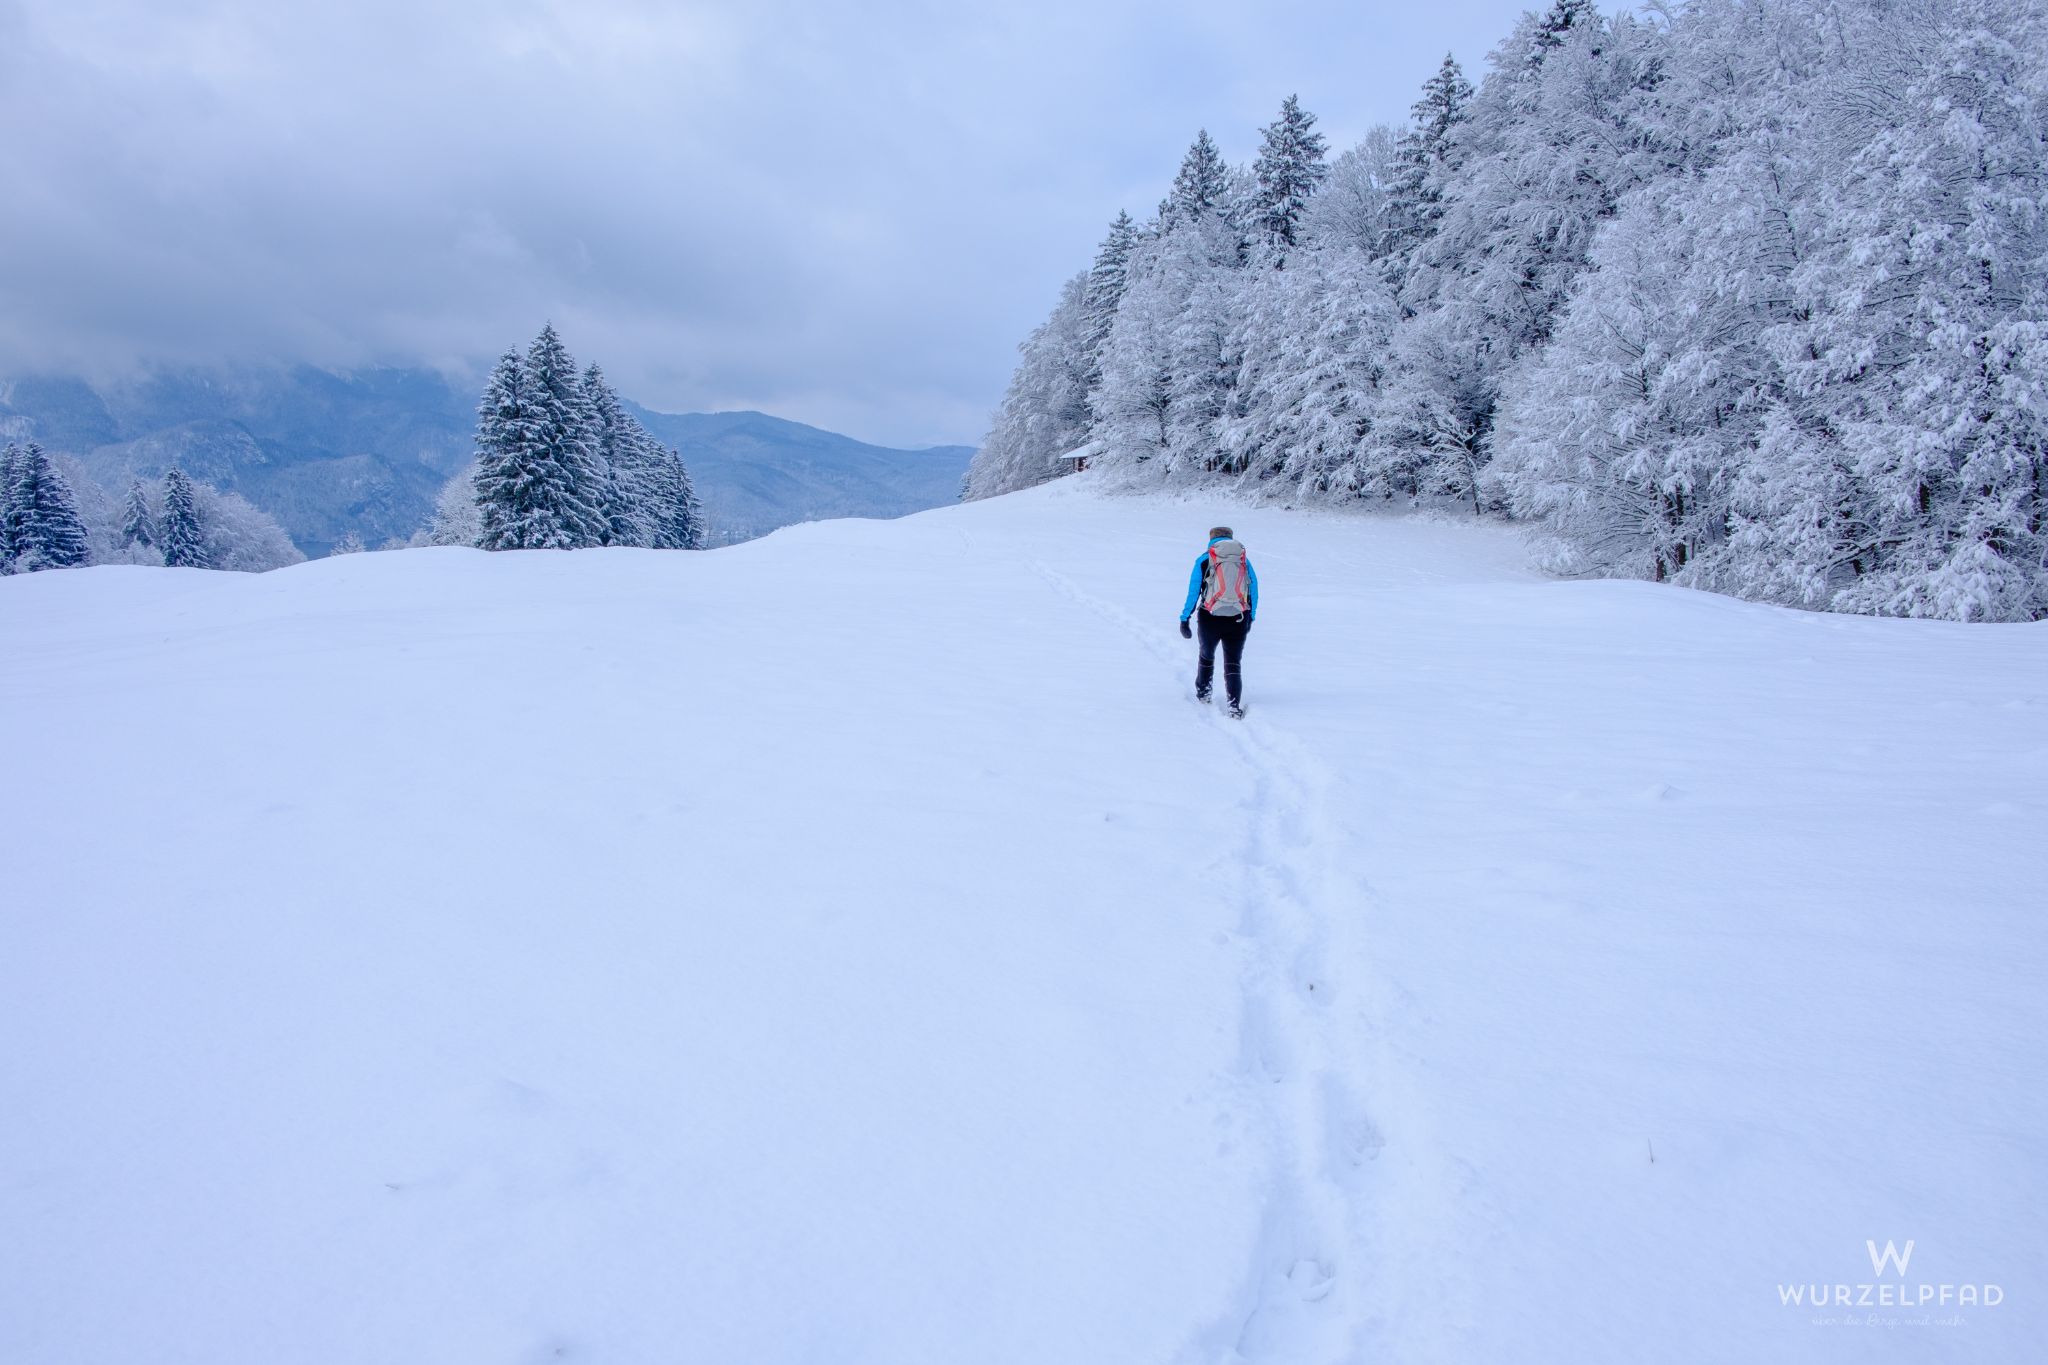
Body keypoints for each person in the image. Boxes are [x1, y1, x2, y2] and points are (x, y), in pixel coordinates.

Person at [1177, 525, 1258, 716]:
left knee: (1206, 655)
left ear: (1211, 539)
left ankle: (1204, 694)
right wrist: (1250, 617)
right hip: (1238, 617)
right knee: (1233, 663)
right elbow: (1254, 589)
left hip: (1209, 617)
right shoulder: (1243, 560)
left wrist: (1185, 618)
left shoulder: (1204, 559)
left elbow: (1193, 592)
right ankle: (1233, 706)